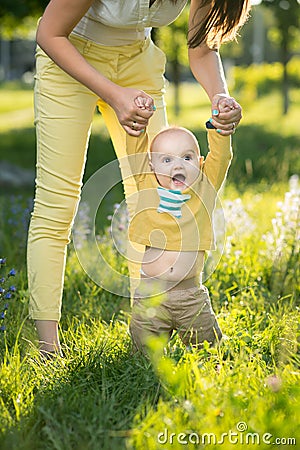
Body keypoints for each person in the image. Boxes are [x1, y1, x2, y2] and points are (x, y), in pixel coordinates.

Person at [27, 0, 251, 357]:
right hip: (69, 58)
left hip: (138, 62)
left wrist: (220, 97)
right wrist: (113, 95)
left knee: (156, 199)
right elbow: (49, 33)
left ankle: (147, 331)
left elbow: (202, 49)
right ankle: (46, 348)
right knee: (58, 202)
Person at [128, 117, 231, 353]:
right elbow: (134, 150)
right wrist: (136, 124)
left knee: (210, 353)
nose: (178, 166)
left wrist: (220, 131)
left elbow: (222, 158)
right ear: (151, 166)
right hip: (150, 299)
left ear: (200, 162)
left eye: (187, 158)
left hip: (191, 299)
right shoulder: (147, 186)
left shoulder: (204, 188)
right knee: (142, 359)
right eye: (167, 160)